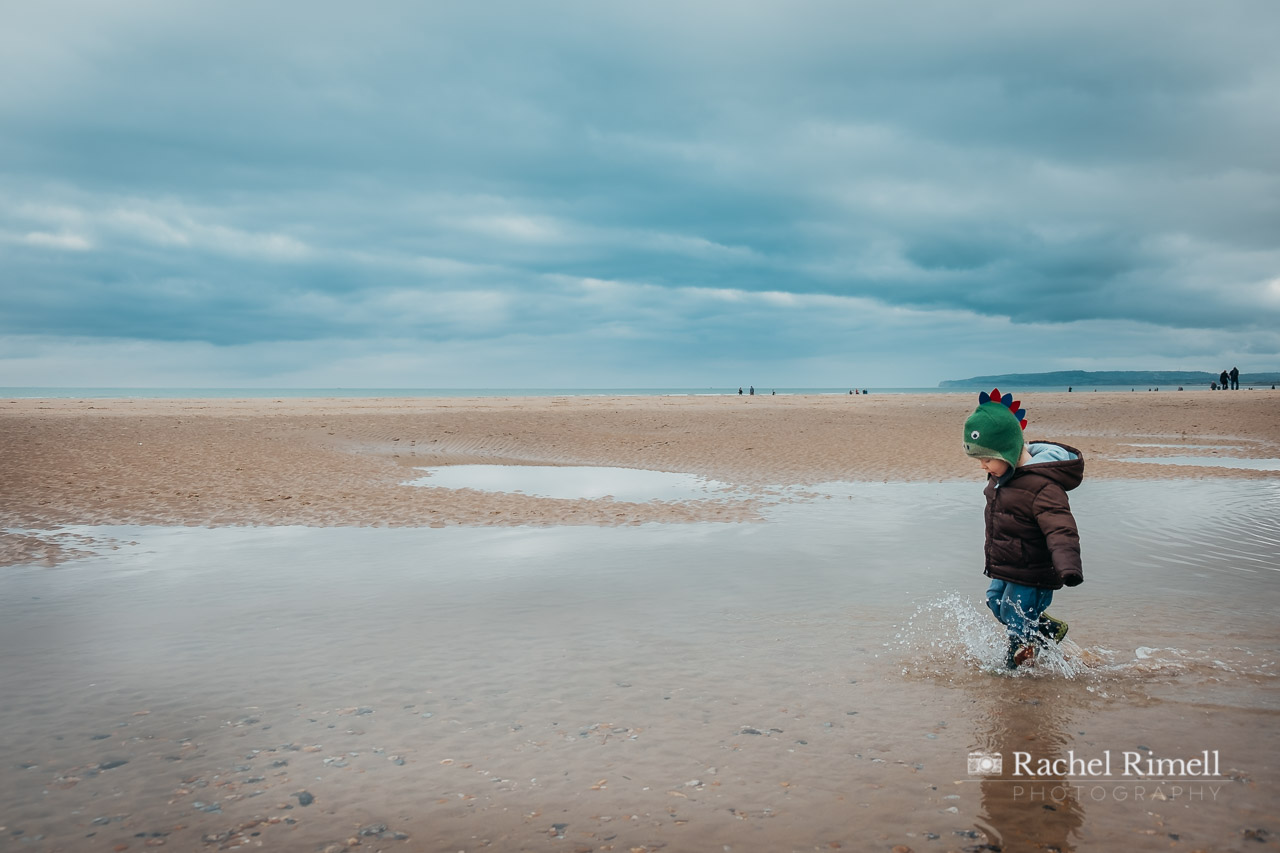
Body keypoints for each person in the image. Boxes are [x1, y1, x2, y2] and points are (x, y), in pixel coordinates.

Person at [963, 389, 1084, 669]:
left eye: (987, 459)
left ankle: (1014, 673)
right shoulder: (1001, 477)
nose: (983, 466)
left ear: (1008, 450)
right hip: (1008, 563)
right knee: (996, 602)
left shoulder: (1043, 486)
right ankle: (1046, 630)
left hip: (1033, 570)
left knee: (1017, 621)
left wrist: (1068, 566)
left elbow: (1060, 527)